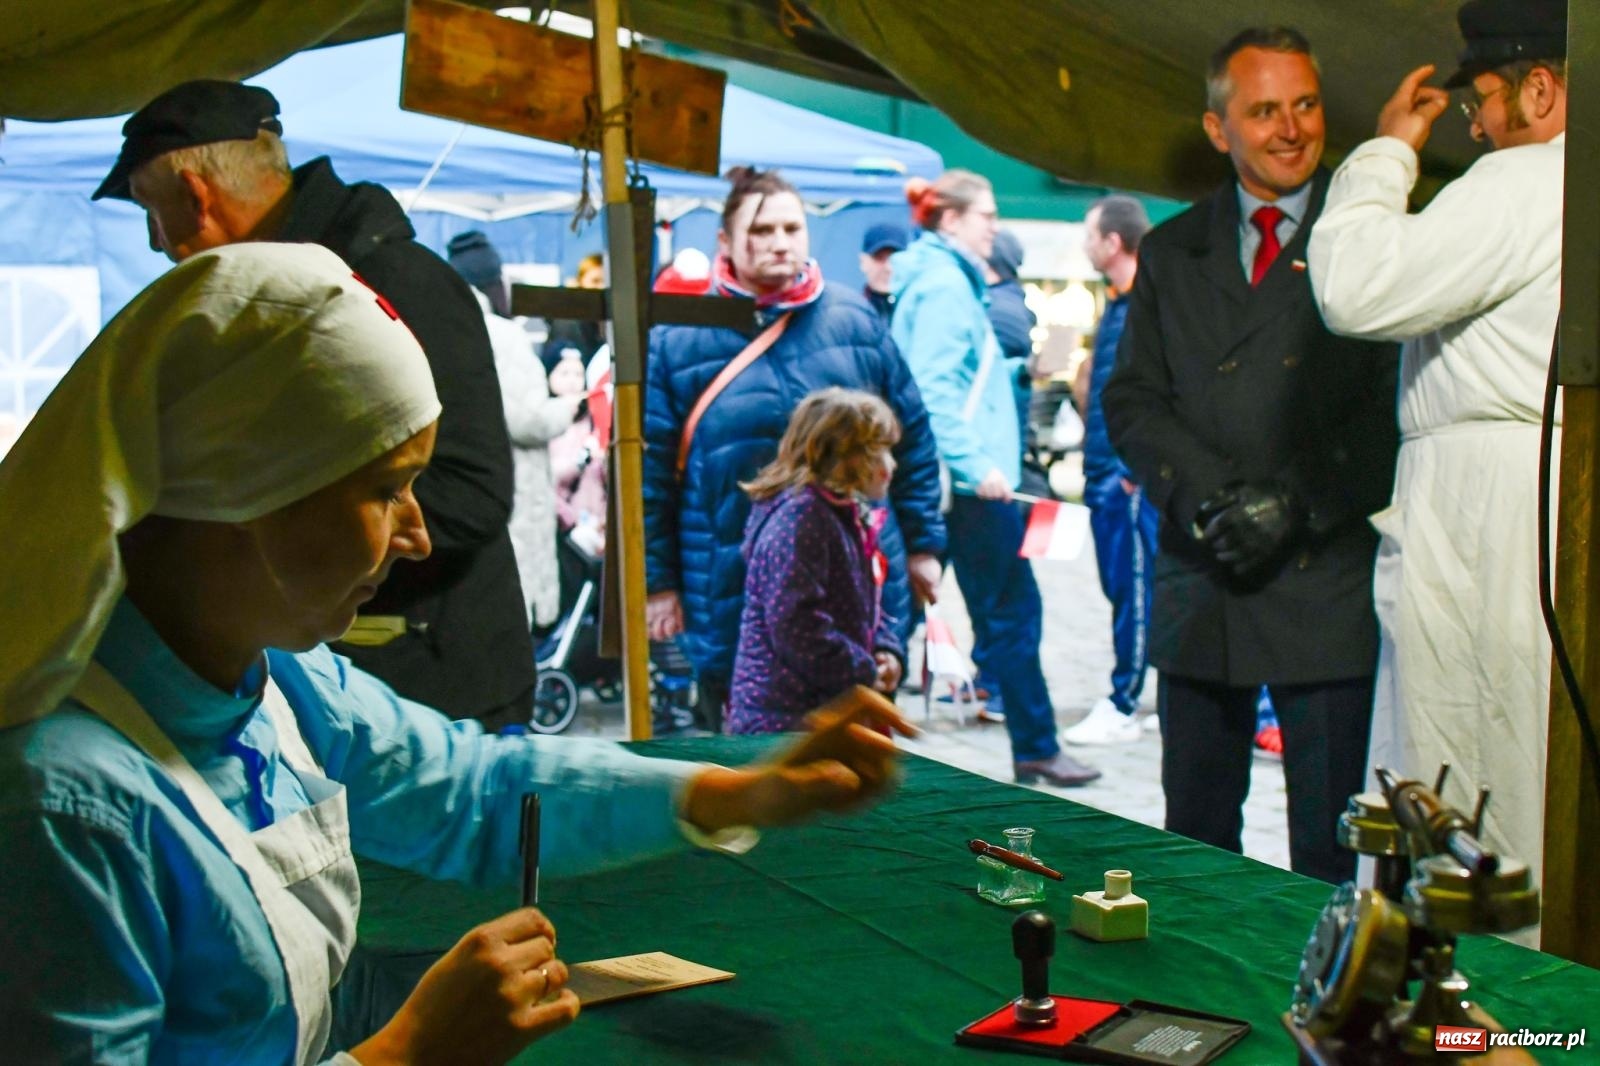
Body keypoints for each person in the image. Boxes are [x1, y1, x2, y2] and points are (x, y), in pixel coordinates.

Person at [0, 243, 915, 1064]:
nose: (419, 536)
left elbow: (470, 789)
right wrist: (406, 1056)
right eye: (388, 487)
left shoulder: (274, 676)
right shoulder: (63, 806)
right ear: (244, 490)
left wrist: (737, 791)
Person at [94, 80, 534, 730]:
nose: (158, 243)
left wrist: (297, 535)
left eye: (150, 213)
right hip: (331, 674)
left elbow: (471, 494)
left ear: (196, 196)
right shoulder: (264, 298)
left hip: (437, 682)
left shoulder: (399, 284)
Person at [1101, 28, 1400, 883]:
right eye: (1264, 110)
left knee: (1335, 854)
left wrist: (1292, 505)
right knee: (1193, 848)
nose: (1291, 128)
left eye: (1305, 105)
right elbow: (1133, 401)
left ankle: (1331, 1019)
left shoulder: (1371, 236)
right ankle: (1198, 1013)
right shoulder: (1170, 250)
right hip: (1207, 578)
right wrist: (1210, 499)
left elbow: (1393, 412)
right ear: (1216, 127)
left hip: (1326, 583)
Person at [1307, 0, 1567, 881]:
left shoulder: (1528, 180)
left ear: (1540, 88)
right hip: (1541, 491)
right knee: (1526, 757)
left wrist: (1385, 154)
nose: (1481, 125)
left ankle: (1482, 1011)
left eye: (1484, 99)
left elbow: (1356, 286)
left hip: (1481, 515)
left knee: (1467, 763)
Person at [643, 167, 946, 730]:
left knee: (860, 771)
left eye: (791, 227)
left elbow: (916, 439)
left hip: (861, 590)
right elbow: (648, 473)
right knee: (750, 774)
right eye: (761, 230)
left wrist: (926, 544)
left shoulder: (856, 319)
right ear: (726, 242)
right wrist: (656, 584)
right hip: (728, 587)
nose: (780, 241)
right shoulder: (677, 338)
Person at [892, 170, 1101, 788]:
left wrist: (1017, 372)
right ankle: (1036, 746)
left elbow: (953, 378)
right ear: (951, 219)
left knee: (901, 613)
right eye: (986, 214)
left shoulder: (943, 280)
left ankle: (836, 740)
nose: (995, 226)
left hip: (954, 484)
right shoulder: (944, 286)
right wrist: (974, 464)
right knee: (1010, 610)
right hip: (966, 487)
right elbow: (931, 392)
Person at [727, 389, 904, 734]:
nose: (891, 465)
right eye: (881, 451)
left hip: (821, 714)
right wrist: (863, 668)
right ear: (845, 457)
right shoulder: (801, 521)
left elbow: (865, 604)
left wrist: (885, 648)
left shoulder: (838, 513)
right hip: (787, 724)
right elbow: (798, 628)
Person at [448, 231, 578, 634]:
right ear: (495, 281)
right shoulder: (502, 336)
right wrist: (570, 406)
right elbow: (528, 421)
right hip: (514, 486)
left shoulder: (447, 327)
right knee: (515, 606)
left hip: (469, 487)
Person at [1065, 195, 1159, 747]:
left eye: (1089, 234)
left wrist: (1131, 465)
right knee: (1122, 587)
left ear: (1113, 242)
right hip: (1107, 472)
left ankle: (1124, 701)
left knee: (1135, 589)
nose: (1084, 243)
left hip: (1125, 477)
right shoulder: (1121, 303)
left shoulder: (1148, 302)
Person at [541, 252, 608, 371]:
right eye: (595, 281)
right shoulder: (567, 323)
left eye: (607, 282)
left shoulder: (607, 322)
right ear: (580, 282)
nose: (602, 287)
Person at [859, 221, 908, 320]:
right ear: (863, 262)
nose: (888, 268)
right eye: (879, 258)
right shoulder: (855, 312)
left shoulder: (918, 311)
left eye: (895, 259)